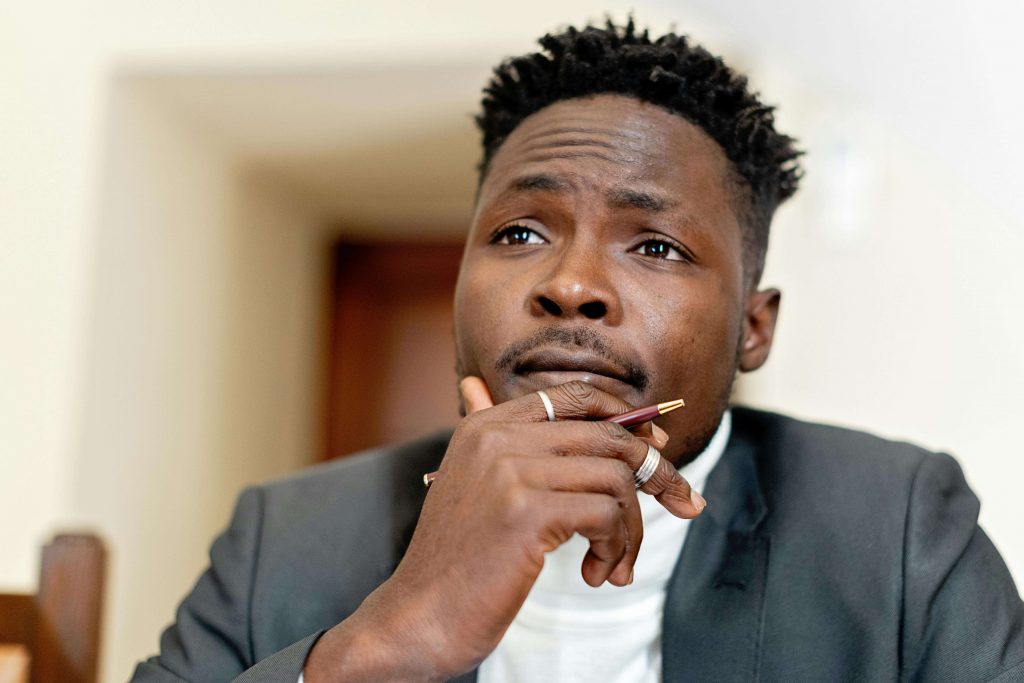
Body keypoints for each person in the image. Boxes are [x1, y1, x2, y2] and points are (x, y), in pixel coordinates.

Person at [130, 19, 1024, 683]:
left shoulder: (897, 527)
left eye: (657, 246)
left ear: (754, 327)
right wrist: (387, 638)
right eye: (521, 232)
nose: (570, 284)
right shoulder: (284, 537)